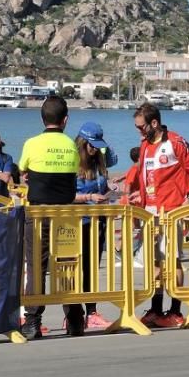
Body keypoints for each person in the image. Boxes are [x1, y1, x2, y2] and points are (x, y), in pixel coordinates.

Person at [127, 103, 189, 328]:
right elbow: (145, 177)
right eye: (136, 127)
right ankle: (156, 308)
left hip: (172, 210)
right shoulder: (144, 145)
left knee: (173, 259)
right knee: (154, 262)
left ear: (154, 123)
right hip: (150, 212)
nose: (139, 132)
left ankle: (176, 310)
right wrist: (138, 198)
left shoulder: (176, 142)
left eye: (141, 127)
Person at [19, 95, 84, 339]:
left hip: (38, 214)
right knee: (68, 266)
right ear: (65, 119)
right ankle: (76, 320)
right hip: (66, 215)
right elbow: (72, 174)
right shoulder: (71, 146)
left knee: (36, 266)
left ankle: (33, 321)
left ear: (42, 118)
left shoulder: (31, 143)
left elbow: (23, 170)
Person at [74, 122, 113, 330]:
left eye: (98, 145)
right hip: (80, 221)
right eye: (91, 145)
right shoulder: (73, 164)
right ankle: (76, 313)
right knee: (78, 268)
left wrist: (109, 189)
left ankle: (91, 311)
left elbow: (111, 157)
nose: (95, 149)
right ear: (82, 143)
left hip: (99, 219)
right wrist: (89, 197)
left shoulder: (100, 161)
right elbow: (66, 195)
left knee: (92, 268)